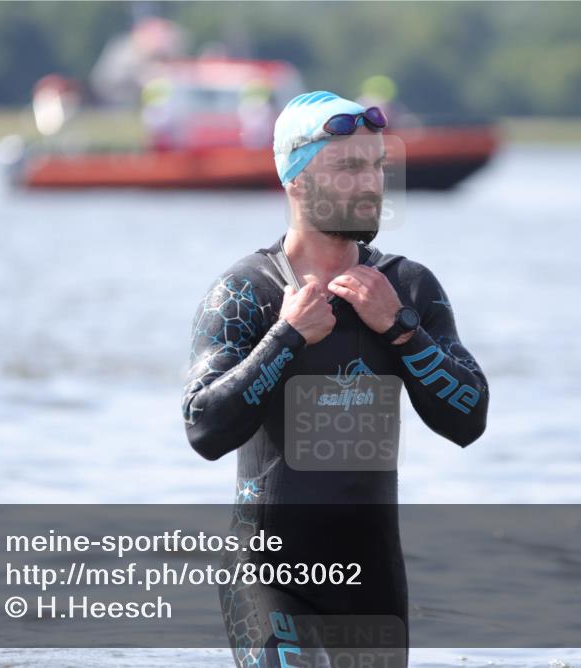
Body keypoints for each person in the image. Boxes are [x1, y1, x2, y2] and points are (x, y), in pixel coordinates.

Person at [181, 91, 489, 667]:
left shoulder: (408, 289)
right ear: (295, 181)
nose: (371, 183)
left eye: (376, 165)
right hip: (269, 575)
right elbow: (204, 429)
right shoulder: (246, 292)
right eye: (348, 167)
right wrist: (287, 337)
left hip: (372, 580)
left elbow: (469, 419)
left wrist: (400, 330)